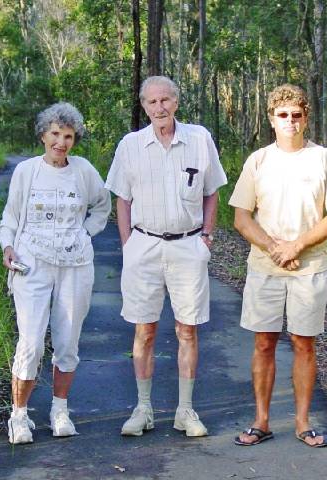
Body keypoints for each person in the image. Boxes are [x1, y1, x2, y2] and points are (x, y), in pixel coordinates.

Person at [229, 84, 327, 448]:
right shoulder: (258, 161)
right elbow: (241, 217)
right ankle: (261, 421)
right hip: (265, 266)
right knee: (264, 342)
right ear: (271, 119)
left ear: (306, 117)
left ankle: (302, 423)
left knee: (303, 343)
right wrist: (274, 248)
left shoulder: (323, 158)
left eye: (296, 115)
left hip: (309, 266)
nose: (290, 121)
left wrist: (297, 246)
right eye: (282, 115)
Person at [105, 76, 227, 437]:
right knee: (144, 330)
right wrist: (128, 245)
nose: (159, 108)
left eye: (165, 100)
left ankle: (185, 411)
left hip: (188, 245)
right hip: (144, 245)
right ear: (144, 106)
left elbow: (212, 191)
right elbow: (122, 199)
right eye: (151, 102)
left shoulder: (199, 139)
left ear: (176, 102)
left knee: (187, 329)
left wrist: (206, 236)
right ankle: (143, 409)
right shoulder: (130, 145)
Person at [0, 102, 111, 444]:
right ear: (43, 135)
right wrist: (8, 246)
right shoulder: (27, 171)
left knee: (67, 340)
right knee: (31, 341)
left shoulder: (83, 170)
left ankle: (60, 410)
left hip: (75, 265)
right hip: (32, 261)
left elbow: (102, 205)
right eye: (56, 134)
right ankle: (19, 415)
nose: (61, 142)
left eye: (68, 136)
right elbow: (10, 217)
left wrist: (85, 232)